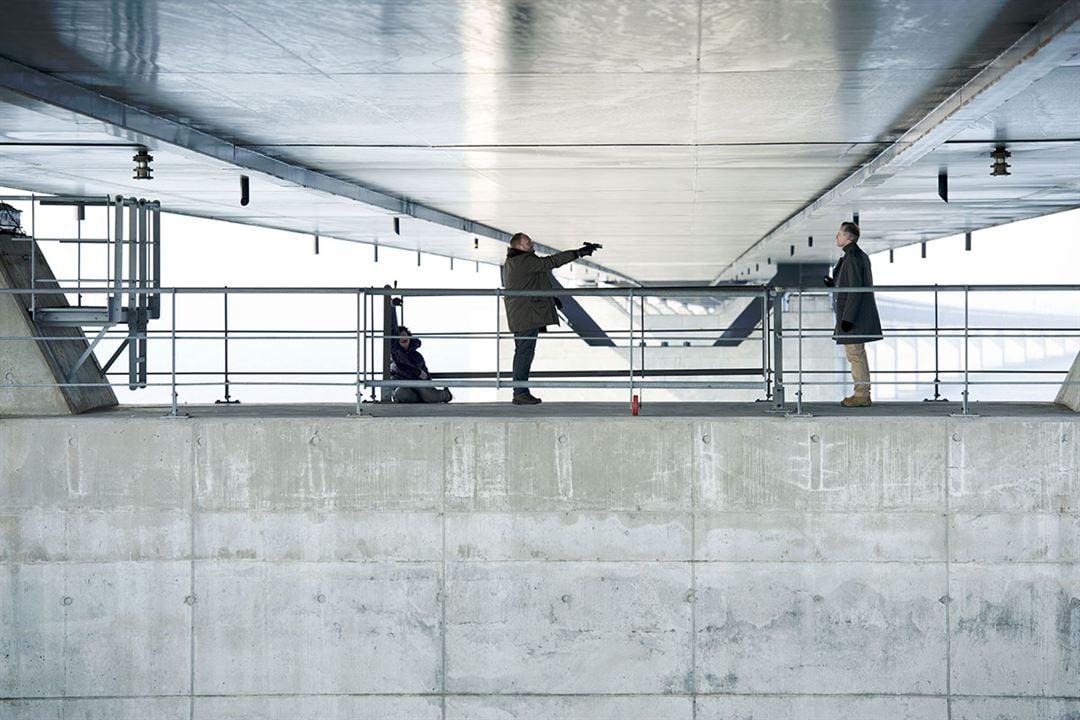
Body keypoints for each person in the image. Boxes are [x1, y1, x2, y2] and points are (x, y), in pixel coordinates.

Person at [502, 232, 600, 405]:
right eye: (527, 243)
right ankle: (520, 392)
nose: (531, 244)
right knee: (524, 353)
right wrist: (577, 253)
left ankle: (520, 391)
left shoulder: (515, 261)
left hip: (522, 313)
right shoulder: (523, 261)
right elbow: (550, 262)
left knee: (523, 352)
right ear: (517, 246)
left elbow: (530, 283)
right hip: (526, 315)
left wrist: (550, 299)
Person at [825, 221, 882, 407]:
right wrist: (833, 284)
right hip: (853, 315)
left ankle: (861, 395)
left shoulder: (852, 258)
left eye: (839, 234)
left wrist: (847, 319)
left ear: (847, 237)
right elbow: (850, 284)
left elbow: (855, 289)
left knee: (855, 355)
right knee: (857, 354)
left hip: (852, 317)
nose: (836, 237)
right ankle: (861, 392)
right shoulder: (853, 256)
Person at [388, 299, 452, 404]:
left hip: (418, 384)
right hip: (403, 384)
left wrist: (425, 378)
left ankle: (444, 395)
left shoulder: (417, 356)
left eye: (404, 335)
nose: (402, 338)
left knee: (428, 395)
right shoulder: (395, 352)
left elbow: (426, 375)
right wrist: (392, 307)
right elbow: (392, 330)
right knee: (401, 393)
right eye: (399, 337)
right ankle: (422, 398)